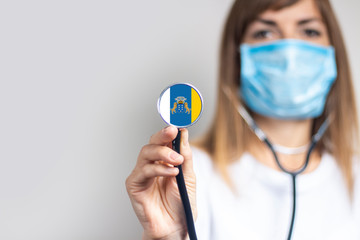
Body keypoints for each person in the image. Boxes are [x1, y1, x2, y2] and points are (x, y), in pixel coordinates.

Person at [126, 0, 360, 239]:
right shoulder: (186, 174)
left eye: (309, 31)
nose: (289, 51)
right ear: (237, 60)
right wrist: (169, 236)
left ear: (334, 54)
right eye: (265, 32)